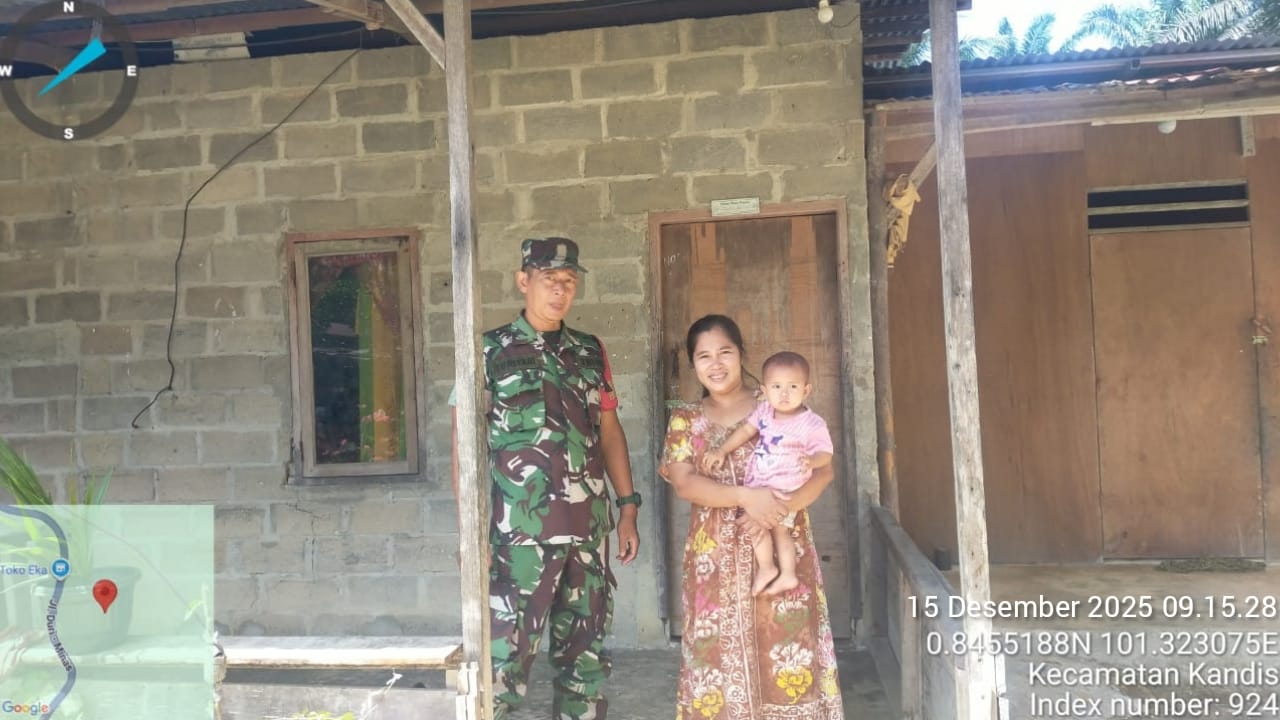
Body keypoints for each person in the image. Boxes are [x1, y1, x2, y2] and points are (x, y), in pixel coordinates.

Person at [451, 236, 641, 720]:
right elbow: (463, 446)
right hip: (519, 540)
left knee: (585, 665)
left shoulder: (590, 351)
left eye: (569, 281)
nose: (560, 290)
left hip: (587, 535)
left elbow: (610, 431)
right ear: (523, 281)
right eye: (549, 279)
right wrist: (469, 534)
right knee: (503, 666)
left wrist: (628, 507)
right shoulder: (487, 350)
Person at [660, 315, 844, 720]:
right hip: (712, 562)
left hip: (783, 550)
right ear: (693, 364)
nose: (716, 364)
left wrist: (780, 508)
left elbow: (823, 471)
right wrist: (747, 497)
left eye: (725, 352)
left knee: (787, 651)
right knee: (713, 659)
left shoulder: (777, 404)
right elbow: (685, 483)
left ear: (741, 354)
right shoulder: (685, 419)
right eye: (704, 356)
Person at [701, 351, 833, 596]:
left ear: (806, 390)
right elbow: (745, 432)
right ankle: (787, 574)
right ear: (764, 390)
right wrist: (721, 450)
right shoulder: (764, 412)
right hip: (761, 486)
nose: (784, 393)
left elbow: (825, 454)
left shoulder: (811, 423)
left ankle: (768, 568)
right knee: (779, 532)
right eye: (776, 386)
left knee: (754, 525)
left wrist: (811, 461)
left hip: (784, 489)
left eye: (793, 386)